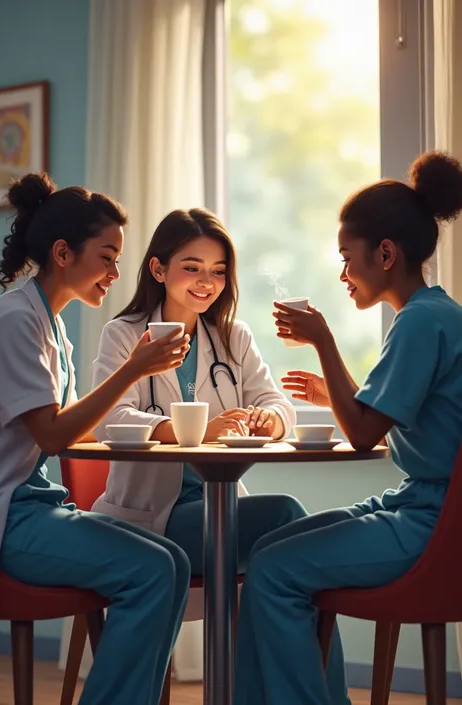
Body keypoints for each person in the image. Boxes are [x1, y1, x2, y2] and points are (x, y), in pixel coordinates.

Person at [232, 151, 462, 705]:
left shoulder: (421, 322)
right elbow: (392, 419)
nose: (342, 274)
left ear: (386, 254)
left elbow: (363, 433)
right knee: (266, 549)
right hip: (418, 502)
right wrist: (335, 392)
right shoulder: (434, 314)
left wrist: (324, 340)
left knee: (271, 572)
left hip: (431, 520)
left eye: (346, 258)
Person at [0, 172, 192, 705]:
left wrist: (151, 427)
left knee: (170, 560)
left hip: (38, 508)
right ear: (63, 252)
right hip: (9, 518)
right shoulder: (12, 321)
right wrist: (130, 371)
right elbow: (54, 436)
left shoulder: (49, 326)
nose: (114, 273)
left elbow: (75, 432)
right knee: (152, 569)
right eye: (107, 257)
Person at [91, 208, 305, 585]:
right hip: (151, 521)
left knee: (291, 565)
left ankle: (271, 642)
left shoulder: (232, 336)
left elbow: (280, 406)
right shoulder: (123, 334)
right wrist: (200, 431)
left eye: (218, 271)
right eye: (192, 267)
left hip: (219, 505)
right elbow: (111, 420)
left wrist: (265, 422)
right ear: (158, 270)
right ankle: (297, 645)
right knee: (285, 520)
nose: (207, 281)